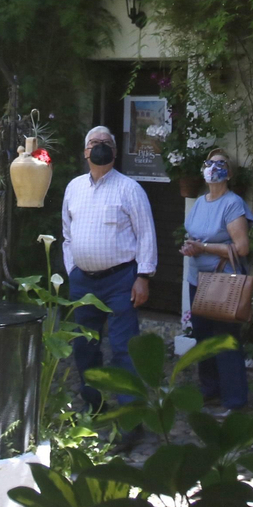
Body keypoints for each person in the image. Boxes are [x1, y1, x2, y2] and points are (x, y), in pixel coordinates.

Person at [61, 125, 157, 412]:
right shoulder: (73, 187)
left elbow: (146, 234)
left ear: (114, 152)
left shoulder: (130, 189)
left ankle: (131, 418)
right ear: (85, 151)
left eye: (106, 142)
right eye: (94, 142)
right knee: (84, 348)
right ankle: (95, 408)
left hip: (120, 282)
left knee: (124, 350)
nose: (100, 145)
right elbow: (67, 235)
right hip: (82, 283)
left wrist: (143, 276)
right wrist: (73, 270)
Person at [179, 147, 253, 412]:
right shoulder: (199, 201)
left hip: (223, 282)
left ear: (229, 173)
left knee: (225, 340)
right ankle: (210, 391)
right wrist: (189, 247)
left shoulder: (233, 203)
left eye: (221, 164)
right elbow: (196, 237)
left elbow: (242, 247)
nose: (214, 167)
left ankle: (235, 400)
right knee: (203, 338)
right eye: (210, 163)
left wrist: (205, 248)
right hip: (197, 279)